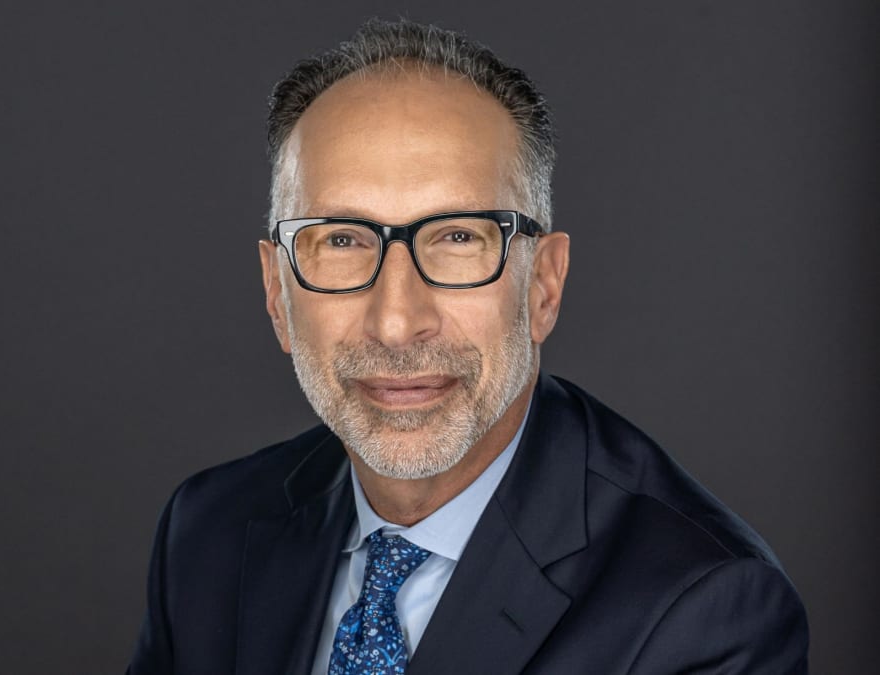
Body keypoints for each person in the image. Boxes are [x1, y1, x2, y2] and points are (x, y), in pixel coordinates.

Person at [127, 19, 809, 675]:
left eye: (458, 238)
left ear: (542, 284)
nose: (397, 322)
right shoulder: (208, 532)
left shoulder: (705, 610)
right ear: (278, 294)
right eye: (341, 240)